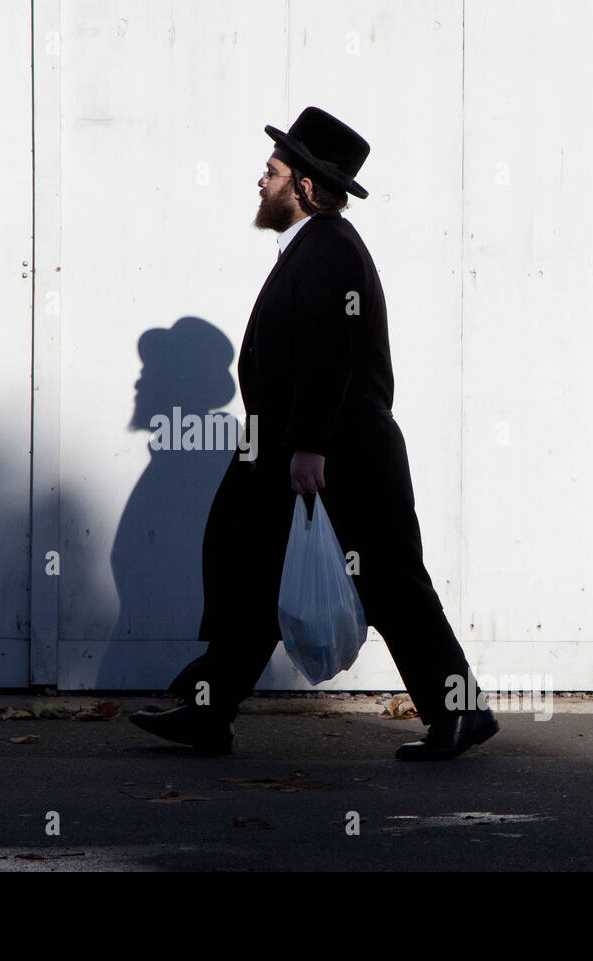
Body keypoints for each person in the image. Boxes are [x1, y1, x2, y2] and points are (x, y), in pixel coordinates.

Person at [130, 107, 497, 761]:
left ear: (303, 186)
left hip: (342, 459)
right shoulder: (314, 249)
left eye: (272, 172)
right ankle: (209, 711)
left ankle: (461, 711)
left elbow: (329, 355)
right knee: (256, 583)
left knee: (393, 587)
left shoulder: (326, 252)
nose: (260, 181)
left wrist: (308, 447)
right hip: (316, 453)